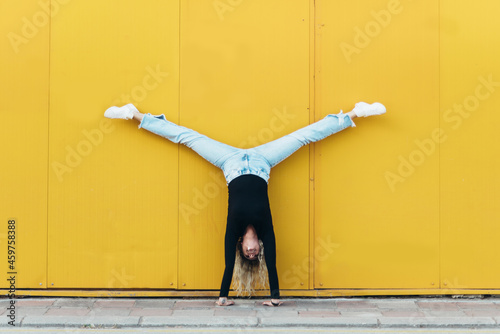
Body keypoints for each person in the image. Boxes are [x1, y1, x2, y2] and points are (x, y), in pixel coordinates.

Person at [104, 102, 386, 306]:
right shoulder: (266, 231)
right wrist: (275, 299)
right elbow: (272, 265)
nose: (252, 252)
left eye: (247, 254)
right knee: (302, 137)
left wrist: (222, 299)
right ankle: (353, 113)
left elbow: (228, 268)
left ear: (241, 247)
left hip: (230, 162)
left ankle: (134, 114)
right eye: (255, 255)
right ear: (258, 248)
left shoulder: (233, 229)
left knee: (187, 137)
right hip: (263, 161)